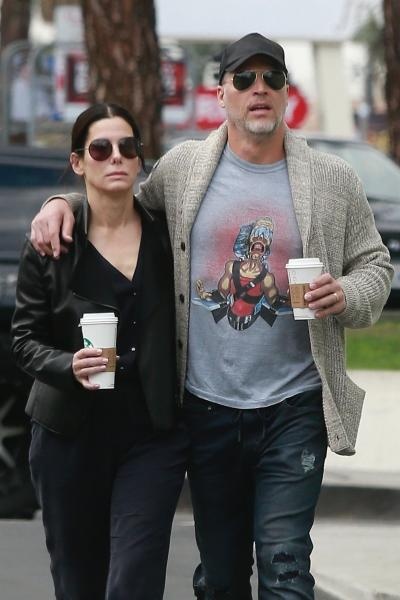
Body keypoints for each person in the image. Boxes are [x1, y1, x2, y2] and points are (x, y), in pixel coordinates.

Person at [30, 34, 393, 600]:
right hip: (206, 408)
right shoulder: (185, 169)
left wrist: (345, 292)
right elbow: (120, 205)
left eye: (271, 78)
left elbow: (374, 263)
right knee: (222, 577)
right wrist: (63, 203)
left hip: (296, 405)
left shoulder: (332, 179)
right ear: (221, 92)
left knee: (286, 564)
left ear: (286, 91)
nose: (258, 89)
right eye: (243, 79)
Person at [11, 102, 188, 600]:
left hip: (151, 433)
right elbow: (24, 340)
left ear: (140, 158)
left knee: (134, 578)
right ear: (77, 162)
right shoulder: (52, 244)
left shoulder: (168, 236)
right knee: (79, 582)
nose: (116, 157)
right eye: (100, 148)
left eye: (127, 147)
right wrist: (67, 364)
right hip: (69, 435)